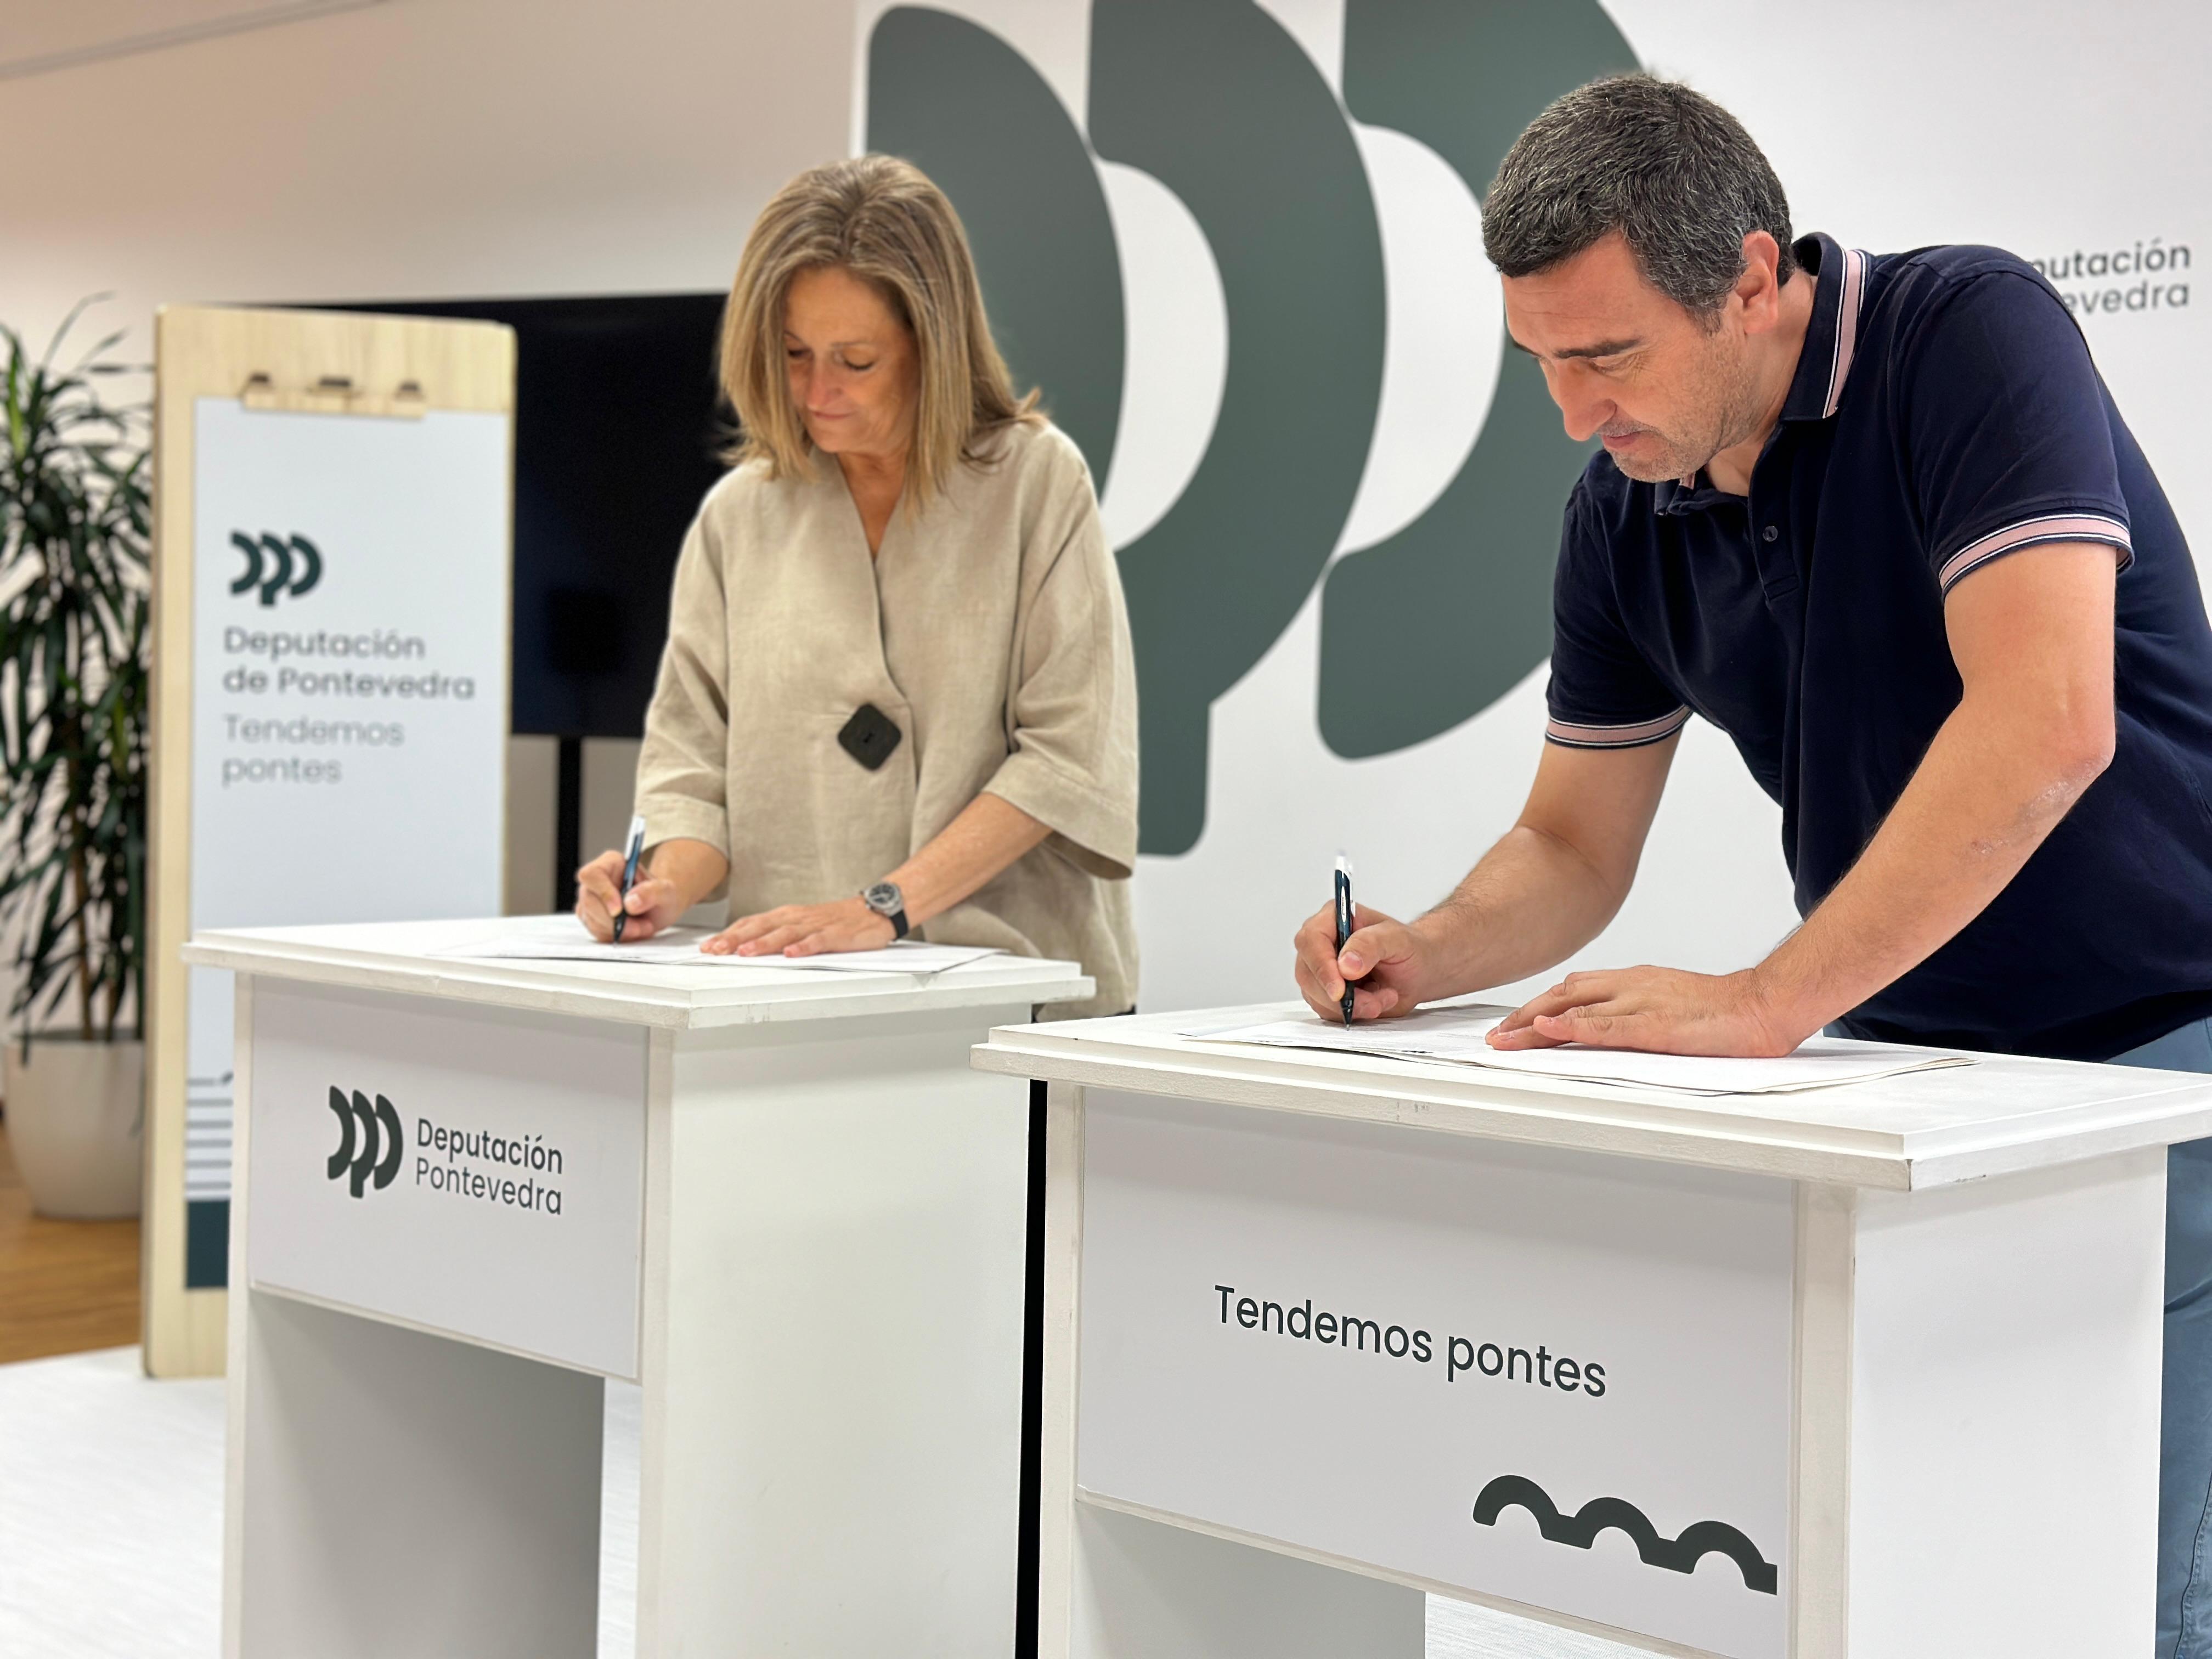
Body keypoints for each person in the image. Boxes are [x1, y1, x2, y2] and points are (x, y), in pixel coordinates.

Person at [1290, 75, 2212, 1650]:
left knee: (2135, 1579)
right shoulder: (1623, 510)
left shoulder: (1968, 336)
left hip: (2165, 1050)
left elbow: (2051, 721)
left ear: (1752, 277)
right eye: (1544, 367)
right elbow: (1575, 841)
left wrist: (1774, 998)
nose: (1576, 413)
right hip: (1917, 1075)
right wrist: (1424, 950)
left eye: (1605, 357)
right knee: (1909, 1564)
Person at [577, 154, 1138, 1018]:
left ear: (933, 346)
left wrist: (883, 907)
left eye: (857, 360)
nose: (817, 391)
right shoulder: (740, 517)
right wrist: (660, 887)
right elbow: (690, 770)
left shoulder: (1036, 485)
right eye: (796, 354)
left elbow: (1067, 761)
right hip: (794, 1006)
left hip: (1012, 994)